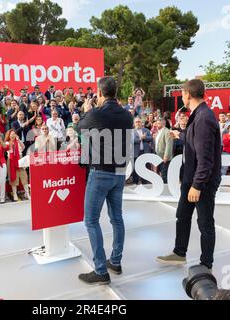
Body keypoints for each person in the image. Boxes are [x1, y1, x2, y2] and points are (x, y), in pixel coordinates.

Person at [157, 79, 221, 270]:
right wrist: (181, 135)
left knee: (205, 222)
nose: (182, 97)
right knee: (182, 216)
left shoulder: (204, 118)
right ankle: (179, 253)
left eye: (182, 94)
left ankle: (206, 263)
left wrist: (197, 185)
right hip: (191, 178)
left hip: (202, 181)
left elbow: (206, 158)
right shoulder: (198, 115)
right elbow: (195, 140)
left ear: (188, 95)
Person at [77, 76, 133, 285]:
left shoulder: (96, 113)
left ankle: (101, 270)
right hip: (119, 173)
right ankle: (115, 261)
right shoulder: (127, 115)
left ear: (100, 93)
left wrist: (87, 109)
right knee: (116, 218)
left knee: (91, 220)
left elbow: (79, 128)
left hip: (100, 173)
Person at [5, 129, 30, 201]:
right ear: (9, 135)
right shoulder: (7, 143)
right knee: (13, 177)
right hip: (11, 160)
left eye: (14, 134)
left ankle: (27, 193)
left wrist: (18, 140)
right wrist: (11, 143)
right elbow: (6, 148)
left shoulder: (18, 141)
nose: (13, 135)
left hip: (20, 160)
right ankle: (15, 193)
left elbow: (23, 147)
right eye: (11, 134)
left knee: (24, 176)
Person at [132, 117, 152, 184]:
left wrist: (145, 137)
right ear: (134, 124)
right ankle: (136, 181)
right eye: (136, 122)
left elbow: (151, 138)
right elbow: (131, 141)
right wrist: (140, 139)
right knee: (135, 168)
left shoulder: (146, 130)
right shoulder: (132, 131)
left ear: (141, 123)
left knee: (146, 167)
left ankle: (145, 181)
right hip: (136, 153)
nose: (138, 123)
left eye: (139, 122)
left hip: (145, 152)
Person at [154, 118, 173, 184]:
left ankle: (166, 188)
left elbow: (169, 145)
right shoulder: (158, 132)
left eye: (158, 123)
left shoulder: (167, 131)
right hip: (158, 156)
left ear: (163, 124)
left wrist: (166, 156)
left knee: (164, 174)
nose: (157, 125)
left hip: (164, 157)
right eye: (157, 123)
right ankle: (161, 187)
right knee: (159, 172)